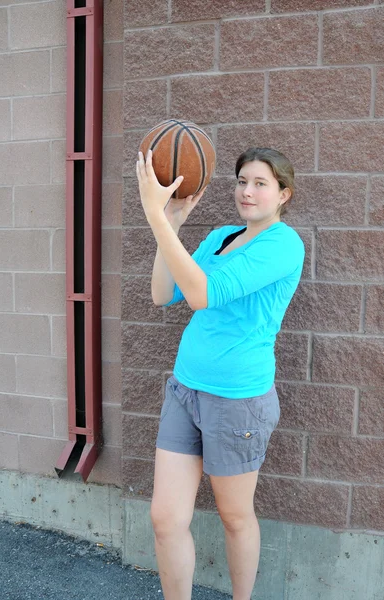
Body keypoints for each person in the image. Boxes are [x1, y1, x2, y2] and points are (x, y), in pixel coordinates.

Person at [136, 146, 305, 600]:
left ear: (283, 194)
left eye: (260, 184)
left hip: (237, 400)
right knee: (165, 519)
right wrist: (169, 222)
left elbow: (203, 294)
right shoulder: (220, 237)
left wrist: (153, 215)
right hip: (184, 390)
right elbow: (162, 292)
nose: (246, 192)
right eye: (241, 181)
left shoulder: (284, 245)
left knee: (234, 516)